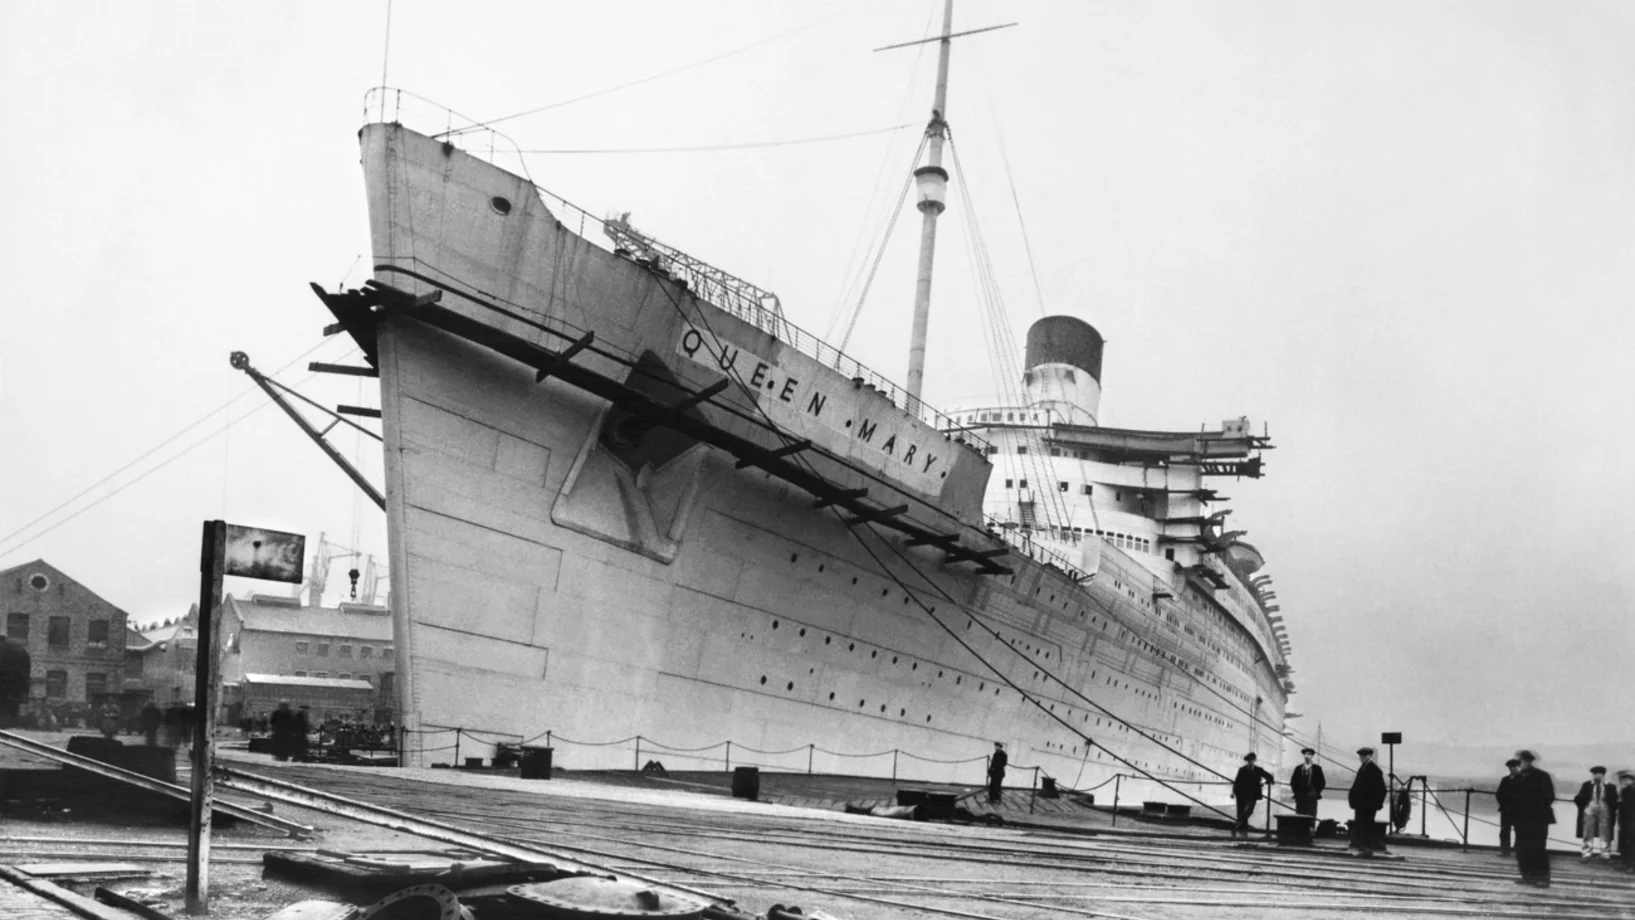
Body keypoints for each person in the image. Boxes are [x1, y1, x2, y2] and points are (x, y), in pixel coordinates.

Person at [1510, 749, 1556, 887]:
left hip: (1538, 819)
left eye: (1525, 761)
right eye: (1521, 762)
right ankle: (1526, 877)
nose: (1523, 764)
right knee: (1522, 848)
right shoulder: (1516, 777)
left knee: (1538, 848)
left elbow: (1549, 797)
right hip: (1521, 820)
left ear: (1530, 762)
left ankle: (1542, 879)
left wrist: (1532, 807)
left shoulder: (1542, 776)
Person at [1348, 747, 1388, 856]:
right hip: (1360, 804)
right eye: (1361, 756)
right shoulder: (1363, 768)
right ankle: (1362, 847)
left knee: (1367, 827)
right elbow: (1356, 786)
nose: (1362, 758)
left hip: (1369, 805)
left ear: (1370, 756)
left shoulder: (1375, 770)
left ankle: (1367, 849)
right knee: (1360, 826)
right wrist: (1352, 800)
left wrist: (1377, 804)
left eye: (1364, 756)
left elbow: (1382, 790)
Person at [1573, 765, 1619, 860]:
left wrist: (1610, 809)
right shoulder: (1586, 785)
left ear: (1603, 775)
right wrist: (1585, 807)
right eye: (1595, 774)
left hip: (1605, 809)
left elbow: (1615, 801)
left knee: (1605, 833)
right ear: (1593, 775)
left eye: (1600, 774)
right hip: (1590, 808)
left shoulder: (1610, 786)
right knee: (1587, 832)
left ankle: (1605, 855)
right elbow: (1579, 798)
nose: (1597, 776)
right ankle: (1586, 854)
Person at [1231, 752, 1274, 838]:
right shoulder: (1242, 769)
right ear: (1247, 761)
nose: (1250, 762)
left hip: (1252, 795)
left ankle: (1236, 826)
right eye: (1249, 760)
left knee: (1248, 811)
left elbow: (1270, 777)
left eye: (1252, 760)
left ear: (1254, 761)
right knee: (1241, 812)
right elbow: (1236, 781)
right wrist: (1233, 792)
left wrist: (1264, 782)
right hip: (1241, 794)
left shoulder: (1259, 770)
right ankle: (1242, 833)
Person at [1289, 747, 1326, 817]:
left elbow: (1322, 783)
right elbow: (1293, 782)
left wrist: (1315, 792)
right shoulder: (1298, 768)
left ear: (1312, 756)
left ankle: (1311, 827)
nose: (1307, 756)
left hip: (1312, 798)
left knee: (1311, 816)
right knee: (1299, 816)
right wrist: (1297, 792)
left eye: (1309, 754)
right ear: (1303, 755)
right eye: (1305, 754)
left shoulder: (1317, 769)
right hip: (1300, 797)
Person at [1495, 758, 1521, 856]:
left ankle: (1519, 851)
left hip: (1519, 811)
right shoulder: (1505, 780)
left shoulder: (1523, 780)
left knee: (1520, 832)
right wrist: (1504, 805)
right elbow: (1499, 794)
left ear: (1518, 768)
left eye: (1515, 767)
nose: (1513, 769)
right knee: (1504, 832)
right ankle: (1505, 851)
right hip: (1506, 810)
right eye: (1511, 768)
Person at [1618, 769, 1634, 873]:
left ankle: (1631, 866)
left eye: (1627, 779)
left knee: (1632, 843)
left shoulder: (1632, 790)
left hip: (1632, 821)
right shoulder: (1625, 790)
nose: (1625, 781)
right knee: (1628, 843)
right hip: (1627, 821)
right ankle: (1628, 864)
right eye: (1623, 779)